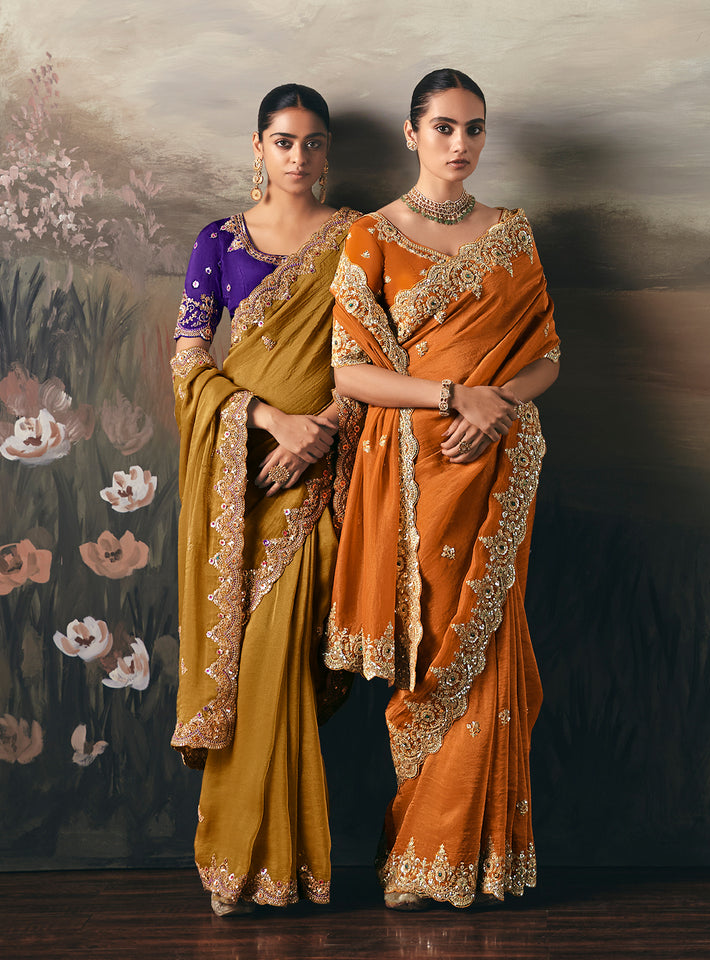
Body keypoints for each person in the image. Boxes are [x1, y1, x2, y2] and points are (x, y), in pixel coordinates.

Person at [324, 68, 560, 910]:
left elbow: (546, 356)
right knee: (430, 654)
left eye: (475, 128)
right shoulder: (373, 236)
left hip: (497, 464)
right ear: (411, 132)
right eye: (445, 128)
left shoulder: (512, 233)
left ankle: (476, 862)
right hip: (415, 476)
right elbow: (350, 373)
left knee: (488, 652)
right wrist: (458, 396)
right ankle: (420, 857)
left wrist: (498, 409)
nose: (461, 144)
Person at [170, 83, 359, 915]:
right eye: (284, 141)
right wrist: (271, 419)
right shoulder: (219, 241)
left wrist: (321, 432)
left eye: (313, 142)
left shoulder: (357, 239)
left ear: (327, 151)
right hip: (235, 479)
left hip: (314, 484)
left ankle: (281, 865)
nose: (299, 157)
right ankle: (237, 863)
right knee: (241, 667)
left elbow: (375, 356)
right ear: (258, 147)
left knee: (278, 660)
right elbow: (189, 357)